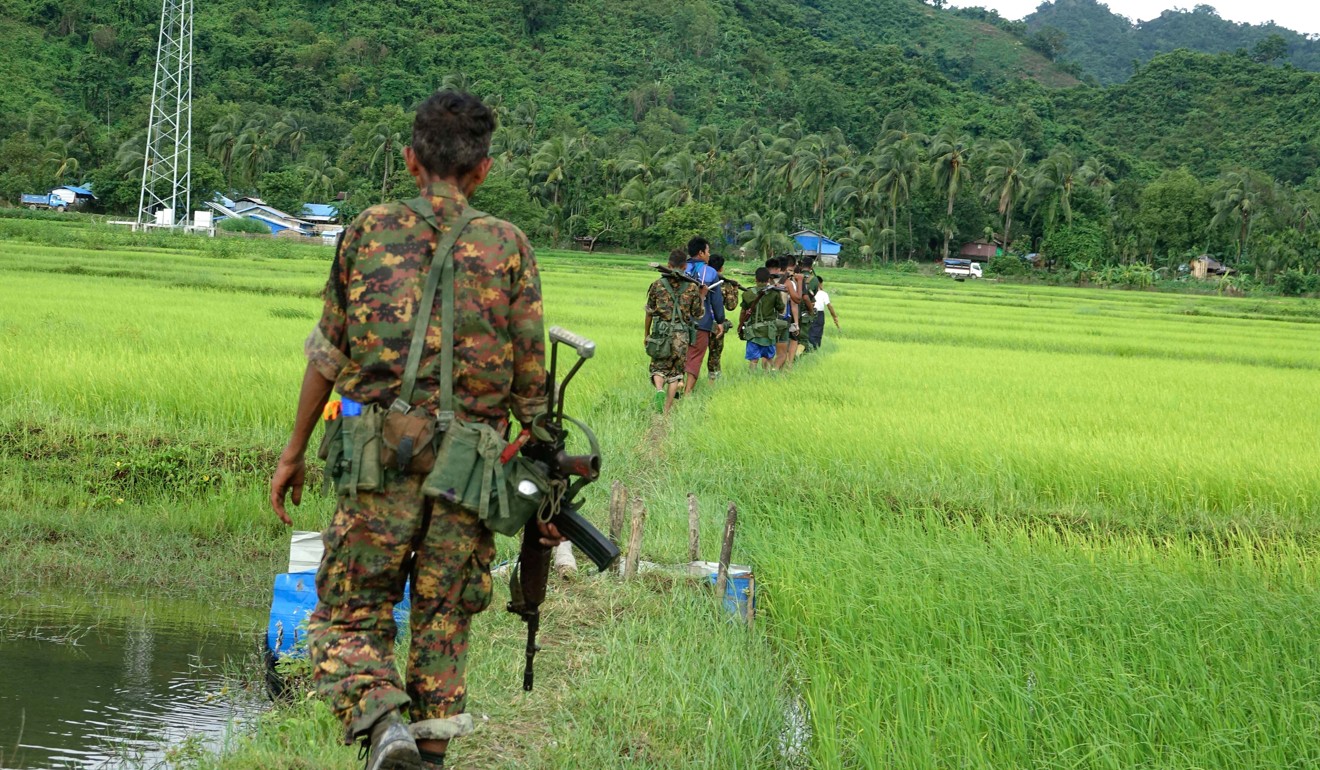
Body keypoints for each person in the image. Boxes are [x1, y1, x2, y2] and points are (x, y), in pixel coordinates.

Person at [269, 90, 560, 770]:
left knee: (347, 617)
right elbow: (530, 383)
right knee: (442, 628)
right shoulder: (508, 247)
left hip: (376, 471)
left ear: (410, 159)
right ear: (483, 170)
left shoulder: (366, 231)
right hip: (468, 478)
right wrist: (544, 476)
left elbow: (327, 353)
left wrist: (292, 454)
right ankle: (420, 756)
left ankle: (382, 724)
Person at [645, 249, 702, 413]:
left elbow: (649, 312)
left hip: (660, 332)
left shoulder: (657, 285)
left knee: (657, 367)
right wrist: (702, 295)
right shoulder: (692, 287)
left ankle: (658, 390)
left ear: (668, 265)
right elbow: (697, 314)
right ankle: (667, 411)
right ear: (685, 266)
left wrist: (646, 334)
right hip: (681, 334)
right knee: (675, 375)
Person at [682, 237, 726, 394]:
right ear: (700, 253)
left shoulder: (681, 267)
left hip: (679, 320)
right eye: (707, 252)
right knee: (695, 357)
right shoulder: (710, 272)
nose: (709, 255)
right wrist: (720, 321)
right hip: (702, 321)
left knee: (680, 353)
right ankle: (687, 392)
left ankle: (677, 384)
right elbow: (716, 301)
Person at [740, 267, 785, 371]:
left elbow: (743, 312)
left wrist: (741, 325)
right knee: (769, 358)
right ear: (768, 280)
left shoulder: (748, 293)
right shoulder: (774, 293)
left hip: (753, 331)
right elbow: (781, 310)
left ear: (755, 279)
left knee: (753, 360)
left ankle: (752, 381)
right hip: (769, 332)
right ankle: (767, 379)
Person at [704, 254, 740, 382]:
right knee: (715, 354)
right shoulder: (726, 285)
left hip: (700, 321)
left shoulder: (701, 279)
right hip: (716, 324)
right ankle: (712, 380)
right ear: (721, 269)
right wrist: (735, 290)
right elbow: (731, 306)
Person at [796, 257, 821, 356]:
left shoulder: (794, 276)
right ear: (811, 266)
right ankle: (795, 358)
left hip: (792, 310)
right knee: (803, 339)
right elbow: (809, 297)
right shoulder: (814, 279)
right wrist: (811, 311)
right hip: (805, 312)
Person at [809, 277, 841, 350]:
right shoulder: (823, 294)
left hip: (809, 312)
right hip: (819, 314)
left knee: (810, 332)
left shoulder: (808, 291)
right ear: (819, 284)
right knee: (817, 334)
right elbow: (830, 306)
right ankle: (815, 349)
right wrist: (835, 316)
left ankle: (809, 349)